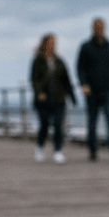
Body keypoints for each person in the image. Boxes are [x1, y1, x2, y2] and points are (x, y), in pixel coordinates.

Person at [76, 17, 109, 162]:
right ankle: (92, 150)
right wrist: (83, 84)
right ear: (92, 29)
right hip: (91, 91)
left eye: (101, 27)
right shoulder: (85, 47)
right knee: (92, 122)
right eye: (96, 27)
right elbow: (80, 68)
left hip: (108, 89)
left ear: (105, 28)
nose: (99, 30)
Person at [30, 33, 77, 163]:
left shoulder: (59, 61)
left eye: (54, 42)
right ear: (45, 43)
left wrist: (72, 97)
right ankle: (39, 148)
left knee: (58, 125)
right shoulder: (38, 60)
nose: (53, 44)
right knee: (44, 125)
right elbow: (34, 79)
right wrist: (39, 92)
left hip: (59, 99)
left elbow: (67, 80)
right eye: (51, 42)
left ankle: (58, 151)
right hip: (43, 100)